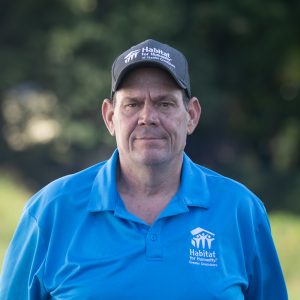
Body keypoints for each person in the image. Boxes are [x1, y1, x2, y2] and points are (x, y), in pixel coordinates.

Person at [0, 39, 288, 299]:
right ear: (110, 116)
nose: (148, 117)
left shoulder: (241, 210)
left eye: (164, 103)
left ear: (191, 115)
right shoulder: (50, 210)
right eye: (133, 104)